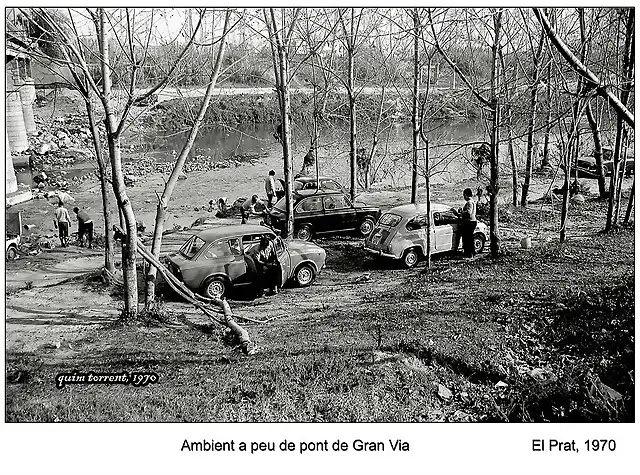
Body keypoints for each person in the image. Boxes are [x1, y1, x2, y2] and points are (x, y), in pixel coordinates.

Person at [457, 188, 477, 258]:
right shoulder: (473, 201)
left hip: (469, 222)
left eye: (464, 195)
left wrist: (462, 212)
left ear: (465, 195)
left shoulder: (469, 202)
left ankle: (469, 254)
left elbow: (469, 213)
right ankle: (472, 253)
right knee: (470, 238)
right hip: (473, 221)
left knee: (467, 239)